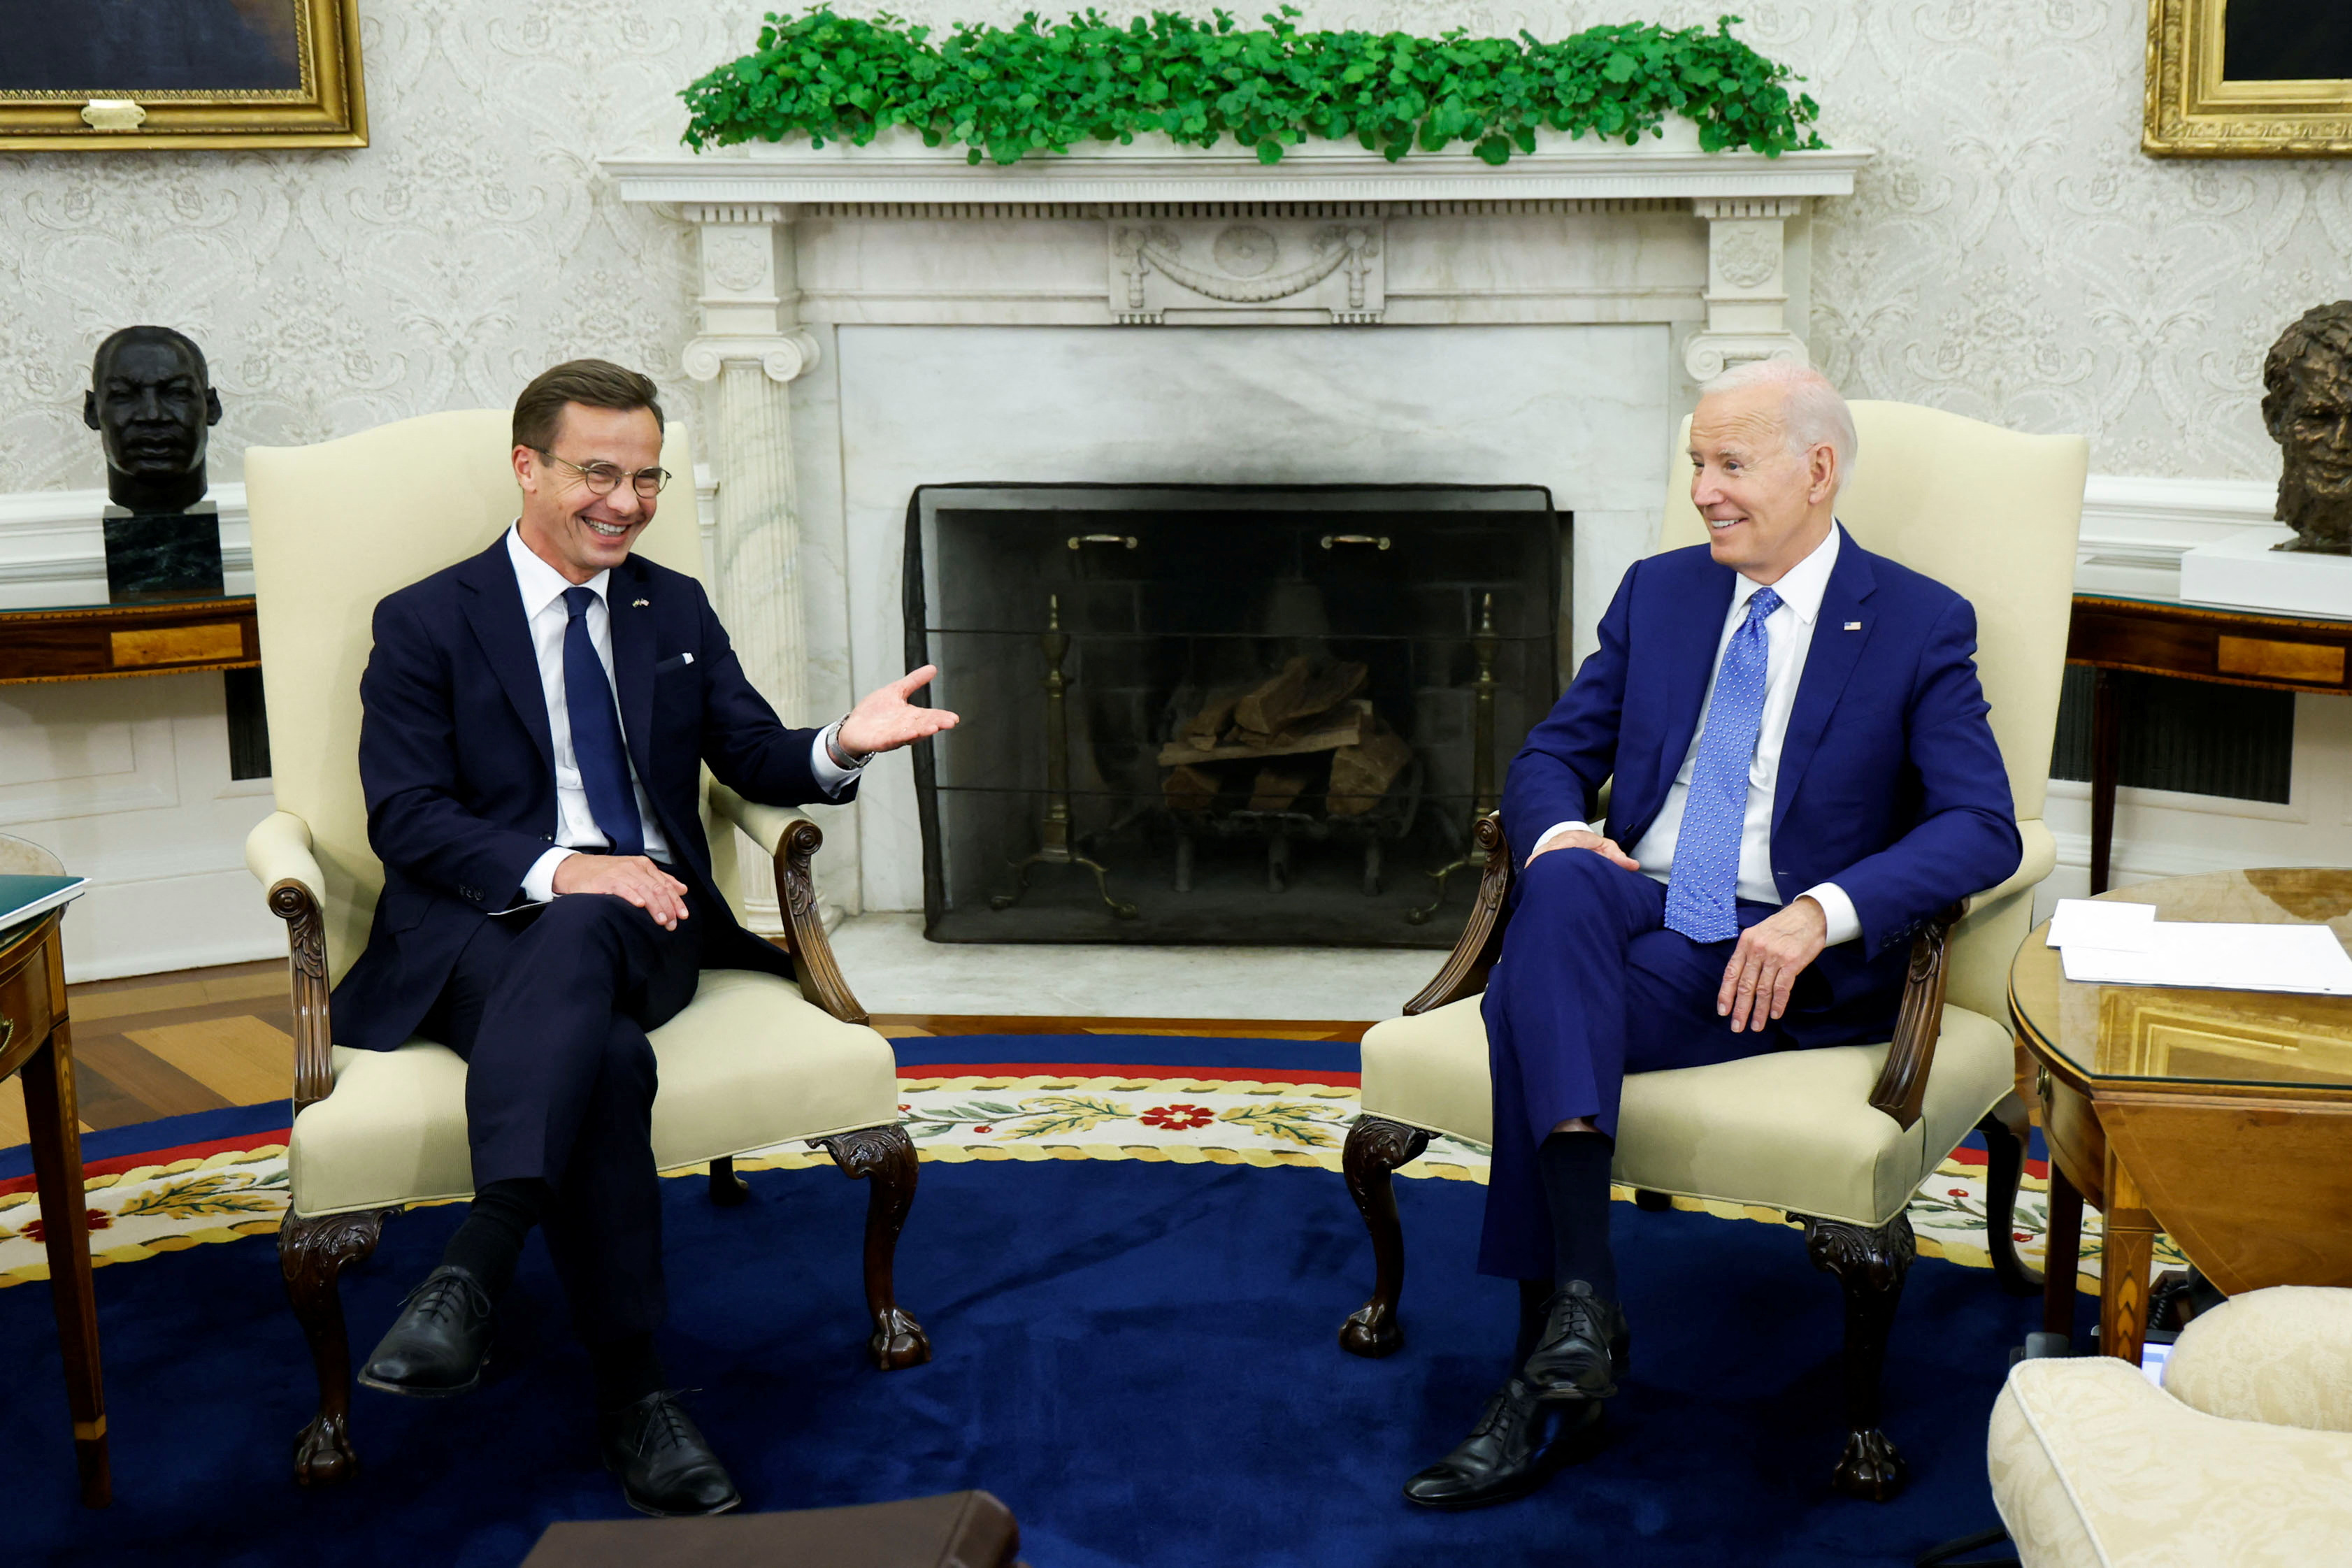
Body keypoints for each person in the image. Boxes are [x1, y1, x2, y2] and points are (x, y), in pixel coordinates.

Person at [337, 359, 957, 1517]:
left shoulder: (669, 607)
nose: (626, 503)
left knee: (599, 926)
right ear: (528, 469)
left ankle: (478, 1261)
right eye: (598, 474)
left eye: (648, 478)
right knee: (608, 1058)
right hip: (477, 939)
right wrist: (567, 868)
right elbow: (406, 817)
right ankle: (636, 1395)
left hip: (654, 930)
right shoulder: (427, 619)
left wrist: (842, 743)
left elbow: (753, 754)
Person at [1403, 360, 2021, 1509]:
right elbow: (1553, 756)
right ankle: (1584, 1307)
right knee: (1563, 886)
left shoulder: (1917, 622)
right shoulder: (1661, 593)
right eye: (1696, 462)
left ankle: (1545, 1375)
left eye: (1732, 464)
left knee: (1530, 1002)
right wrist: (1561, 835)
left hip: (1770, 949)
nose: (1702, 491)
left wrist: (1821, 913)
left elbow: (1982, 824)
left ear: (1818, 471)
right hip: (1634, 898)